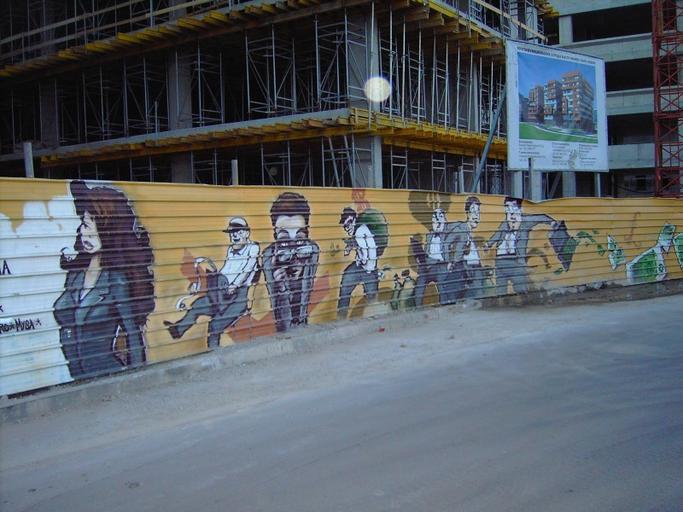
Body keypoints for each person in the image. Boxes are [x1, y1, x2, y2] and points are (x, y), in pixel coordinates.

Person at [53, 180, 154, 379]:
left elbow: (133, 334)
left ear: (109, 230)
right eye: (84, 224)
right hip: (75, 378)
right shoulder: (75, 276)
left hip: (104, 374)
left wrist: (138, 378)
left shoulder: (116, 281)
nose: (85, 233)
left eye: (91, 226)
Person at [165, 217, 260, 348]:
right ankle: (178, 330)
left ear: (247, 233)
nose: (234, 236)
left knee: (215, 326)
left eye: (238, 232)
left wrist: (235, 284)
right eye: (232, 233)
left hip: (237, 297)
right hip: (222, 293)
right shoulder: (231, 250)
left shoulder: (253, 248)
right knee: (198, 305)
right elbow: (225, 270)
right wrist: (206, 281)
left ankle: (215, 352)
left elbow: (247, 269)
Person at [262, 192, 319, 332]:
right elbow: (282, 324)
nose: (293, 252)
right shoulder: (269, 257)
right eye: (284, 241)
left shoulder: (312, 251)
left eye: (299, 239)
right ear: (275, 237)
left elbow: (303, 304)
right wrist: (281, 289)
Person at [486, 196, 557, 295]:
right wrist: (488, 244)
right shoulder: (505, 224)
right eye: (508, 212)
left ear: (520, 210)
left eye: (514, 211)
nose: (512, 216)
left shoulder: (525, 222)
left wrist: (552, 222)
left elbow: (539, 217)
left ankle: (523, 303)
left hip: (516, 262)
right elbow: (497, 234)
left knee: (520, 289)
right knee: (500, 291)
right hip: (500, 262)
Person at [337, 207, 380, 319]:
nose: (347, 228)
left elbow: (366, 250)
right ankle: (372, 316)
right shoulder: (361, 229)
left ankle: (341, 317)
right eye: (345, 226)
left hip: (367, 268)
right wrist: (351, 246)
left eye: (349, 223)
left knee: (348, 289)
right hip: (365, 266)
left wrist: (363, 260)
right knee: (369, 295)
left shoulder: (359, 232)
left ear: (355, 219)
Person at [443, 196, 486, 299]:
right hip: (463, 268)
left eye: (478, 212)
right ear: (467, 213)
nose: (476, 216)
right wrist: (449, 261)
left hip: (473, 268)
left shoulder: (469, 233)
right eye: (473, 212)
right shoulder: (460, 229)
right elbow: (446, 243)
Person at [410, 208, 453, 306]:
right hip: (428, 264)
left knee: (442, 281)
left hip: (441, 265)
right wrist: (420, 258)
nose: (437, 220)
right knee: (420, 281)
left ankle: (445, 305)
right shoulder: (429, 235)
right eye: (435, 217)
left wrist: (450, 263)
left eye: (440, 217)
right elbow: (427, 251)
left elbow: (453, 251)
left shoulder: (448, 236)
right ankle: (418, 307)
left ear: (444, 221)